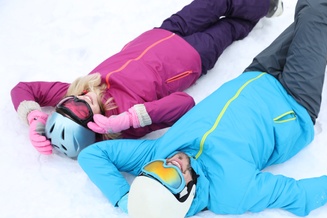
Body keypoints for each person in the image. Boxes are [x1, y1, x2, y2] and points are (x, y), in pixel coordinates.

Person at [78, 0, 327, 218]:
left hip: (256, 75)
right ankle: (319, 46)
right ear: (185, 196)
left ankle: (321, 49)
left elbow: (94, 154)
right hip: (294, 102)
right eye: (172, 175)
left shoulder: (156, 155)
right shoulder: (232, 191)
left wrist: (125, 199)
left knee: (308, 21)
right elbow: (299, 195)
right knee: (316, 12)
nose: (171, 161)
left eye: (156, 170)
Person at [10, 0, 283, 159]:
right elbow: (184, 103)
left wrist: (33, 117)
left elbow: (24, 89)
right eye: (80, 109)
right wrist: (132, 118)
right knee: (232, 26)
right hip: (193, 56)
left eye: (68, 102)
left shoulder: (81, 91)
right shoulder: (127, 125)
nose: (80, 98)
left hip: (165, 31)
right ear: (92, 126)